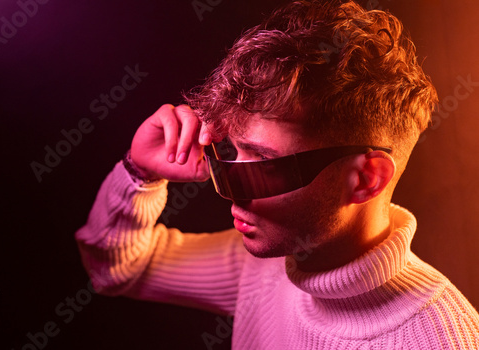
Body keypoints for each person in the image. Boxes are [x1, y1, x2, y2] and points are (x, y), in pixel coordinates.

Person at [75, 0, 479, 348]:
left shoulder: (440, 339)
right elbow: (115, 270)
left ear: (366, 179)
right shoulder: (266, 262)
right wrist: (139, 173)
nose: (233, 193)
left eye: (265, 163)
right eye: (231, 153)